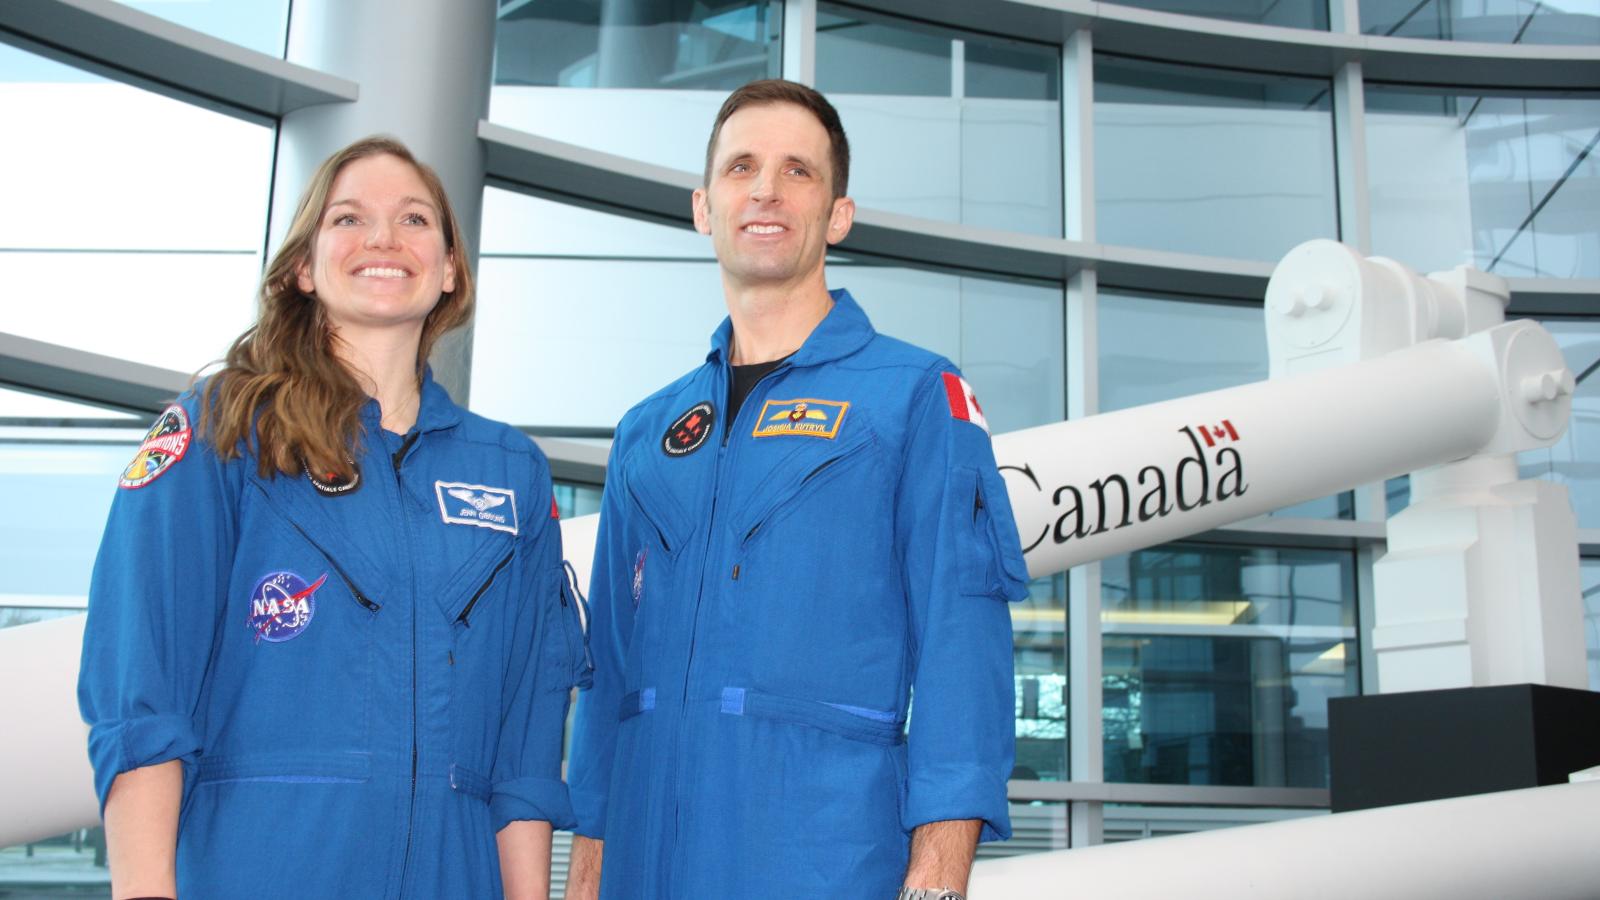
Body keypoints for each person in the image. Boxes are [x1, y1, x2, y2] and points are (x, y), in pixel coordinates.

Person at [77, 136, 589, 900]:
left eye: (415, 219)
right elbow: (142, 694)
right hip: (260, 869)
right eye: (350, 219)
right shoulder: (223, 430)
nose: (384, 238)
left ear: (450, 269)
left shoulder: (509, 473)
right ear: (303, 269)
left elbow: (523, 751)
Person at [565, 80, 1030, 900]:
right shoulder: (648, 431)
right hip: (646, 865)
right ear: (705, 207)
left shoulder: (916, 395)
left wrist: (937, 880)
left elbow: (963, 656)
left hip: (824, 861)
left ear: (837, 215)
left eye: (797, 171)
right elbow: (608, 679)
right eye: (742, 167)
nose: (766, 190)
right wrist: (588, 876)